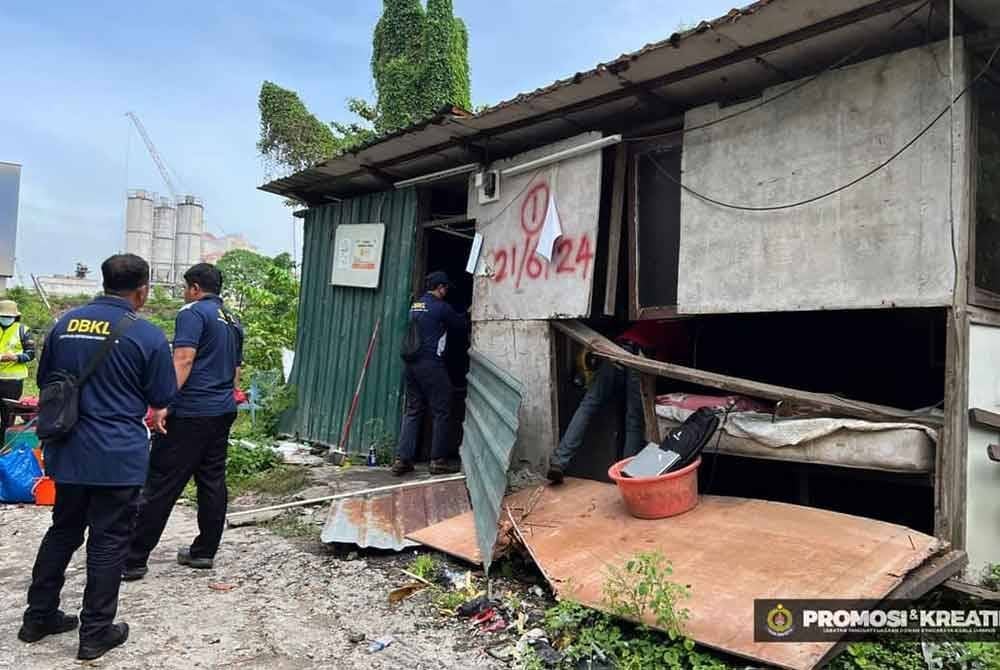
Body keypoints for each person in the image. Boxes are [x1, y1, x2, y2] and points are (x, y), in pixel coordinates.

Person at [20, 254, 175, 661]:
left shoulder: (64, 324)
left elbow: (46, 380)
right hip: (116, 455)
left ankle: (38, 617)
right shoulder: (148, 335)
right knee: (108, 542)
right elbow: (161, 396)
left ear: (104, 282)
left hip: (67, 447)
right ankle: (95, 632)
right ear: (142, 290)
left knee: (63, 530)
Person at [125, 263, 243, 580]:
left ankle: (133, 558)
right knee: (212, 480)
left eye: (185, 288)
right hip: (221, 410)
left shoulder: (192, 313)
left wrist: (163, 402)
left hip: (191, 411)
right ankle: (204, 551)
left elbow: (183, 359)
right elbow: (235, 372)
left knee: (162, 482)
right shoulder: (232, 319)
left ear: (194, 287)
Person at [547, 320, 690, 484]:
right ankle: (627, 476)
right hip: (640, 356)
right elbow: (661, 367)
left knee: (588, 405)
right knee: (634, 420)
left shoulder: (653, 319)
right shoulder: (679, 329)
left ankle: (559, 461)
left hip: (616, 350)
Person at [392, 271, 467, 476]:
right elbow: (460, 325)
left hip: (411, 366)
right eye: (445, 288)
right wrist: (468, 312)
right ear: (440, 287)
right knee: (442, 409)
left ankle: (403, 459)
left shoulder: (415, 306)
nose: (446, 292)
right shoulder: (441, 307)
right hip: (431, 365)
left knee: (413, 409)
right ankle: (438, 460)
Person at [0, 299, 37, 432]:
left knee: (7, 417)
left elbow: (31, 354)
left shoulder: (23, 330)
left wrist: (15, 357)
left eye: (8, 317)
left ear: (15, 316)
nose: (5, 319)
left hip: (12, 382)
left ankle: (4, 448)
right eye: (3, 316)